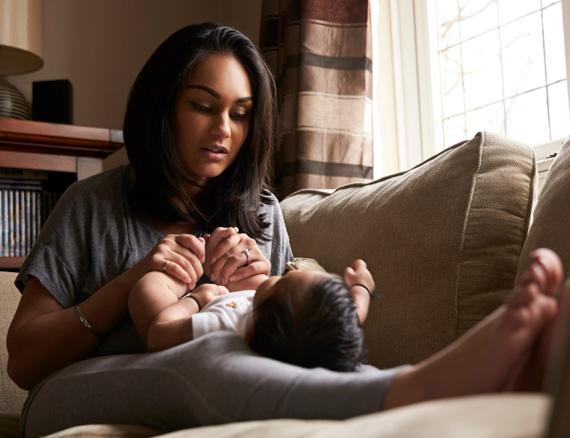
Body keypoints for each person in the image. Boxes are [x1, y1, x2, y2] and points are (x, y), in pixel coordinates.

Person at [5, 22, 570, 436]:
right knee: (202, 358)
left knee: (241, 354)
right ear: (162, 107)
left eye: (242, 113)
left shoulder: (263, 214)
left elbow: (287, 342)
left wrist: (263, 284)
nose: (224, 130)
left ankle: (451, 388)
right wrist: (129, 285)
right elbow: (25, 363)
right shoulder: (90, 204)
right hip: (76, 391)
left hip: (225, 381)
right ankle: (420, 387)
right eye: (204, 105)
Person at [129, 258, 375, 371]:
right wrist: (361, 288)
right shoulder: (329, 332)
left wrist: (196, 298)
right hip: (234, 299)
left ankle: (173, 282)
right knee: (255, 278)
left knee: (148, 289)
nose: (282, 274)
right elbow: (352, 316)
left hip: (188, 311)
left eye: (280, 283)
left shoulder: (225, 328)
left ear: (252, 328)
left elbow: (159, 334)